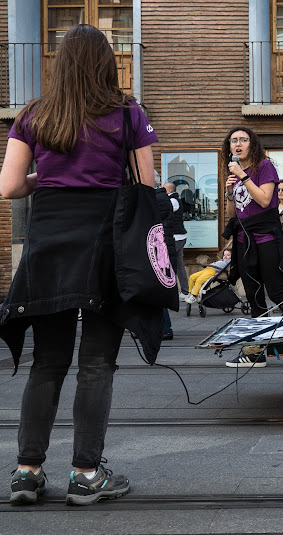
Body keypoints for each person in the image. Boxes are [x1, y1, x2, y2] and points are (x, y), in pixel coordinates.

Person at [0, 24, 162, 506]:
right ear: (107, 63)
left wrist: (42, 176)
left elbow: (9, 187)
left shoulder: (35, 116)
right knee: (96, 363)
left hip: (48, 245)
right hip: (105, 245)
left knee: (46, 363)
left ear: (61, 64)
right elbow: (146, 185)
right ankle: (86, 475)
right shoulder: (128, 114)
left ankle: (27, 472)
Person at [221, 126, 283, 368]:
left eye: (243, 140)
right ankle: (257, 350)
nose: (238, 144)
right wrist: (228, 192)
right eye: (233, 140)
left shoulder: (264, 166)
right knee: (254, 296)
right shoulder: (235, 173)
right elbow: (232, 214)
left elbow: (265, 199)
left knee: (277, 293)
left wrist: (244, 177)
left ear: (252, 144)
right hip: (245, 243)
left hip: (266, 241)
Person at [156, 183, 177, 341]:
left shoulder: (159, 199)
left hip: (160, 250)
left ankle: (165, 328)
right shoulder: (161, 198)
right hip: (161, 249)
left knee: (158, 291)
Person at [162, 181, 189, 301]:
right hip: (179, 237)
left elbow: (163, 214)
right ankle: (184, 291)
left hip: (176, 237)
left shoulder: (172, 201)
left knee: (170, 265)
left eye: (163, 190)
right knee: (179, 265)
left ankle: (173, 292)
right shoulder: (175, 200)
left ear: (169, 191)